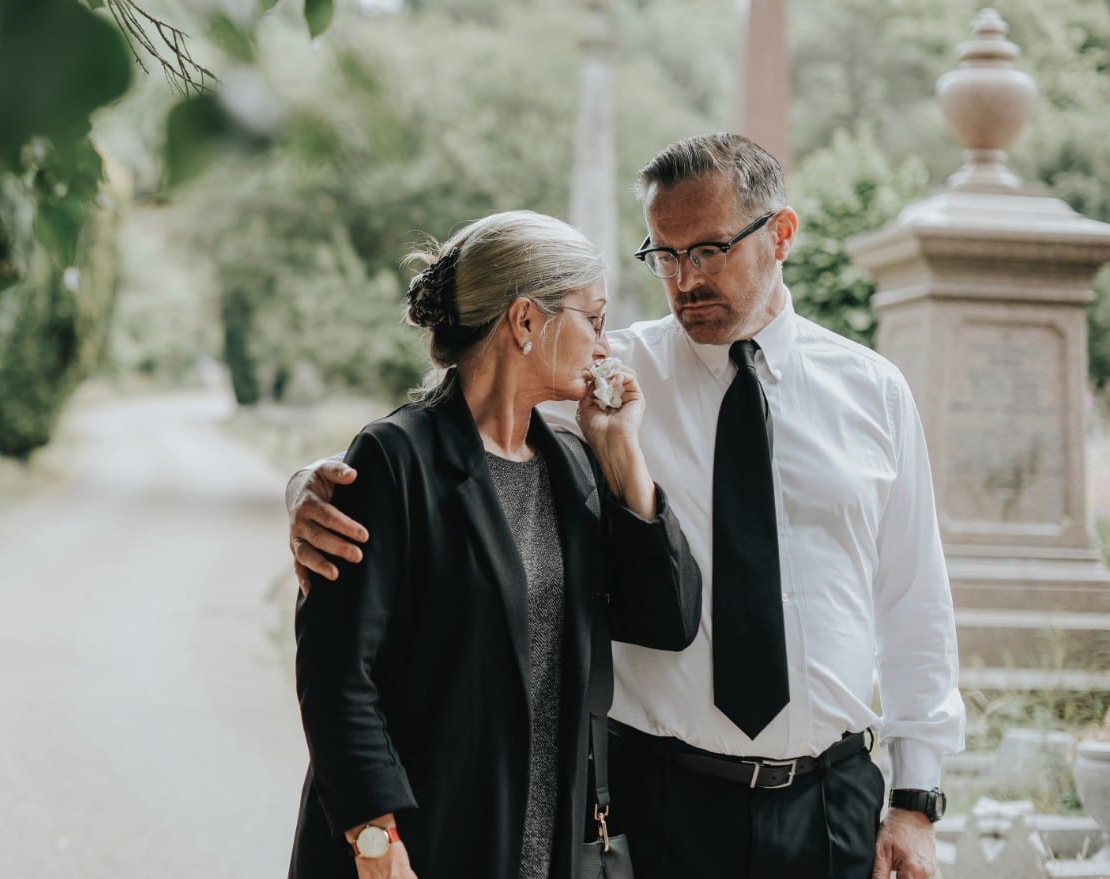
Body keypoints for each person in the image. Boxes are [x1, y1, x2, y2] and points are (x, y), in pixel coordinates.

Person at [288, 134, 964, 879]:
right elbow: (457, 432)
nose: (683, 280)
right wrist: (307, 487)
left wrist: (915, 795)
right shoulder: (604, 380)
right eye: (664, 254)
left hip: (829, 804)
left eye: (706, 250)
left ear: (780, 234)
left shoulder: (871, 392)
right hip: (657, 805)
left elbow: (913, 602)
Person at [289, 210, 701, 879]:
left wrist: (622, 453)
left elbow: (667, 618)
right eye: (592, 318)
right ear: (525, 321)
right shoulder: (395, 460)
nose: (605, 346)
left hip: (544, 849)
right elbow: (337, 679)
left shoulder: (570, 464)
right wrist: (376, 845)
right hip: (414, 846)